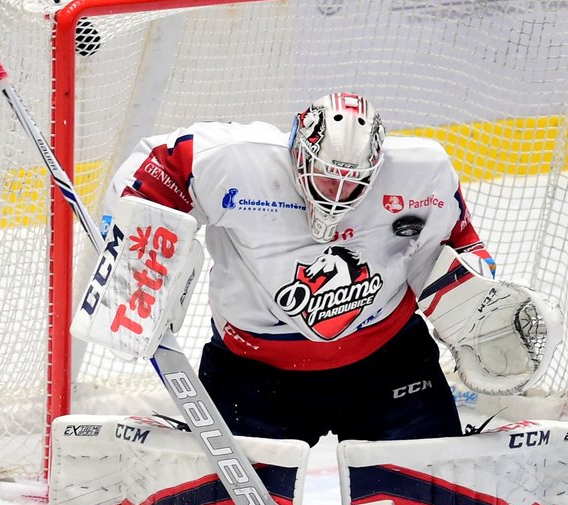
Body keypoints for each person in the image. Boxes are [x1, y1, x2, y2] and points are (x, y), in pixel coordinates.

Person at [102, 91, 500, 449]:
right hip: (253, 375)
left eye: (353, 182)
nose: (338, 192)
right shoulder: (234, 161)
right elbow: (150, 173)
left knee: (425, 502)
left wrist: (482, 310)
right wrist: (133, 255)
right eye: (328, 177)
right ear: (298, 151)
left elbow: (461, 243)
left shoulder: (422, 173)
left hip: (388, 366)